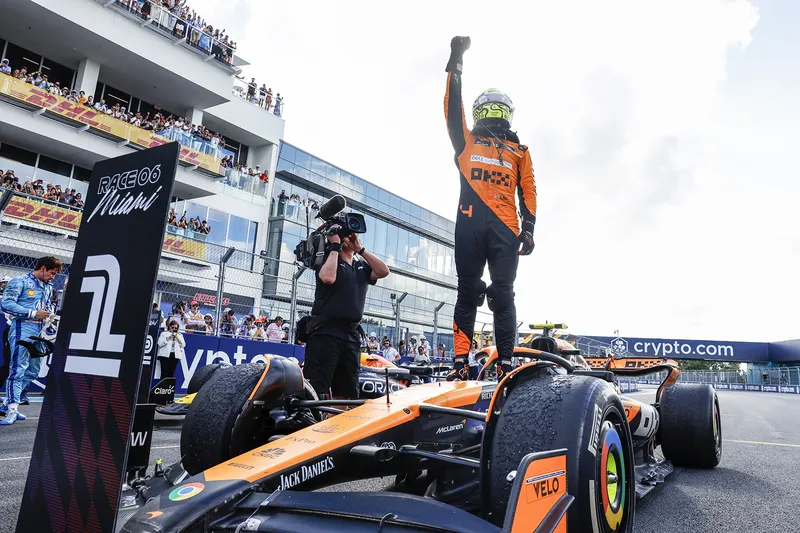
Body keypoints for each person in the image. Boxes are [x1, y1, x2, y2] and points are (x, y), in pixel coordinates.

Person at [444, 36, 537, 381]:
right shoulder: (466, 141)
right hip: (469, 227)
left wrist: (529, 229)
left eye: (500, 108)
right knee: (468, 291)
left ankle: (505, 363)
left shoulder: (520, 151)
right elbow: (452, 108)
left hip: (505, 229)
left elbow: (528, 190)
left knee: (502, 294)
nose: (495, 113)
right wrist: (456, 60)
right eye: (490, 107)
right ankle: (460, 363)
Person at [302, 228, 389, 401]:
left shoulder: (361, 267)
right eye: (346, 235)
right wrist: (335, 246)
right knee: (317, 389)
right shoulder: (327, 259)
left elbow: (383, 271)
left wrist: (360, 249)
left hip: (351, 335)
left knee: (346, 393)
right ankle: (313, 425)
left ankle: (336, 426)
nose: (350, 238)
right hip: (325, 332)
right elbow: (328, 278)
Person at [0, 256, 62, 424]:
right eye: (52, 273)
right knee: (18, 368)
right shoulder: (19, 281)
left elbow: (46, 306)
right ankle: (12, 409)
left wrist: (49, 314)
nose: (53, 277)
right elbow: (6, 304)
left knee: (33, 370)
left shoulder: (48, 286)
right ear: (42, 268)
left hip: (40, 330)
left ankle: (7, 404)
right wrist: (34, 313)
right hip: (22, 327)